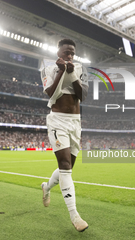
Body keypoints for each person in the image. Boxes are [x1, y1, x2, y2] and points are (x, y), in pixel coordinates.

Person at [40, 38, 89, 232]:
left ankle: (46, 187)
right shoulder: (48, 68)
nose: (70, 55)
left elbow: (83, 95)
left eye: (72, 52)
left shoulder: (79, 68)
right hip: (57, 120)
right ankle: (74, 215)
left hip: (75, 123)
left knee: (67, 169)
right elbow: (50, 93)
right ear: (58, 51)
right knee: (65, 166)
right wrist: (61, 71)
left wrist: (72, 74)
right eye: (66, 52)